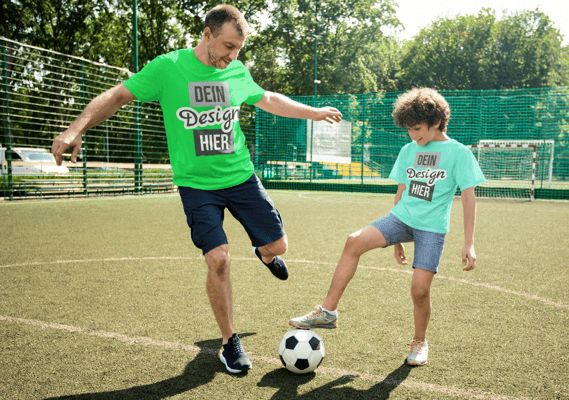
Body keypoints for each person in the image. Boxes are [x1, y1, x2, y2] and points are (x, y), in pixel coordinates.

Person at [51, 4, 343, 374]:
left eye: (238, 49)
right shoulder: (168, 68)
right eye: (227, 46)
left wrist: (312, 112)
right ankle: (229, 342)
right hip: (196, 187)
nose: (232, 56)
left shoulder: (236, 70)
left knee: (278, 245)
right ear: (206, 34)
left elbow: (266, 99)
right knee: (218, 259)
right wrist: (75, 129)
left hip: (241, 177)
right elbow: (117, 96)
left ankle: (266, 255)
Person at [289, 87, 485, 366]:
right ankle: (328, 311)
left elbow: (468, 198)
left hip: (431, 228)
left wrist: (469, 242)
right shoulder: (409, 150)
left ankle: (419, 341)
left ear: (437, 122)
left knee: (419, 289)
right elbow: (401, 191)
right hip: (401, 218)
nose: (413, 135)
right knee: (353, 241)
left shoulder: (458, 153)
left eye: (417, 128)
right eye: (409, 129)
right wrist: (396, 239)